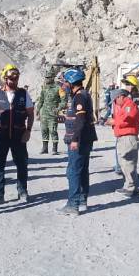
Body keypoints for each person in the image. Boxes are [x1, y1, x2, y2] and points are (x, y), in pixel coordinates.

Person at [0, 64, 35, 205]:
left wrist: (28, 131)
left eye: (16, 78)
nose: (14, 81)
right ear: (5, 78)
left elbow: (30, 114)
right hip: (1, 135)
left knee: (22, 164)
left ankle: (22, 191)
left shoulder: (23, 94)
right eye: (11, 78)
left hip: (19, 135)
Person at [57, 68, 98, 216]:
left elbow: (80, 121)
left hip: (79, 141)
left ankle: (72, 205)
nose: (64, 85)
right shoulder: (83, 94)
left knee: (73, 171)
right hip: (85, 139)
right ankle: (81, 201)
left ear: (72, 82)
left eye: (66, 82)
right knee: (82, 170)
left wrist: (74, 139)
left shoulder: (80, 97)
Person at [108, 78, 139, 197]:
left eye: (115, 100)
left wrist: (114, 122)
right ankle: (128, 186)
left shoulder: (129, 105)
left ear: (120, 97)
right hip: (123, 137)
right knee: (125, 164)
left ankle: (131, 187)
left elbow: (127, 120)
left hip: (128, 137)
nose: (115, 103)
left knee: (128, 163)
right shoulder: (125, 105)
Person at [35, 68, 65, 155]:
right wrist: (37, 109)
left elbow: (64, 101)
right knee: (44, 130)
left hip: (53, 114)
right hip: (44, 114)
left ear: (52, 78)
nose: (46, 79)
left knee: (53, 131)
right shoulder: (44, 88)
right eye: (46, 77)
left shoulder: (58, 88)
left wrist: (58, 109)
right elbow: (41, 100)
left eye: (48, 77)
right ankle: (45, 148)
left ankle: (54, 149)